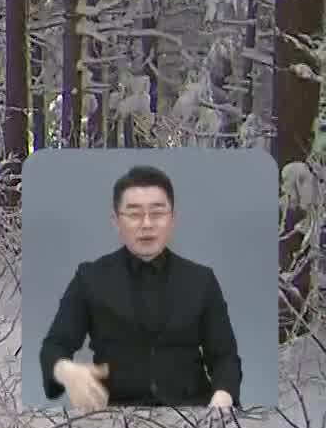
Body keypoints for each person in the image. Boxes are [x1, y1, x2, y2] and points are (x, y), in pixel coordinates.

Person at [38, 164, 242, 412]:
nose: (147, 224)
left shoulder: (201, 280)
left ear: (172, 219)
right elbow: (54, 346)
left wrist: (223, 395)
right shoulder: (89, 278)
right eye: (134, 214)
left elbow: (224, 357)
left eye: (157, 213)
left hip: (192, 417)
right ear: (116, 221)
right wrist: (65, 370)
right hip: (112, 420)